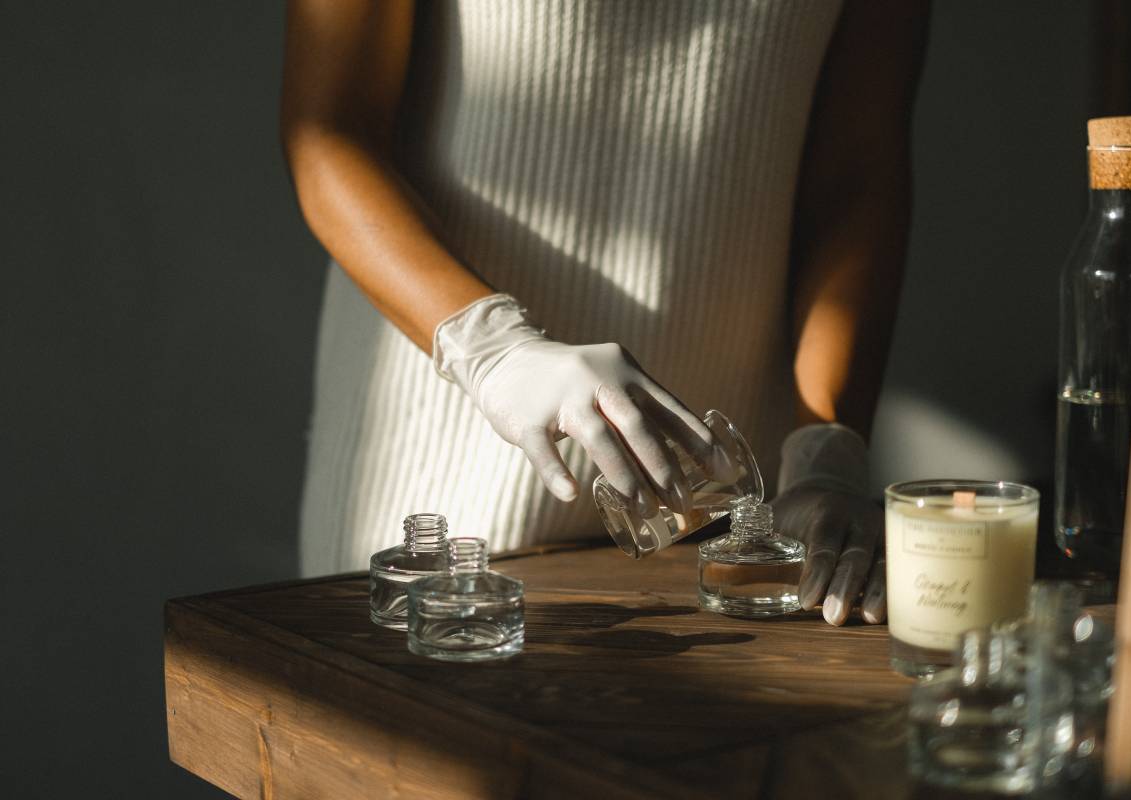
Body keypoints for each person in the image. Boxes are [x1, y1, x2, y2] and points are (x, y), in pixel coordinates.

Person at [281, 0, 928, 626]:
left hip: (729, 513)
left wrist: (825, 452)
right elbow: (331, 131)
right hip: (443, 477)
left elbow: (856, 174)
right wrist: (491, 347)